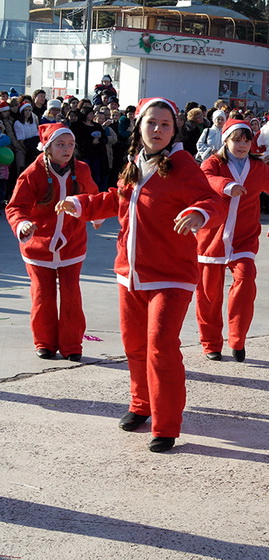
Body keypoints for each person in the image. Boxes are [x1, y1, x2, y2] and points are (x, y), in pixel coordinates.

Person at [55, 98, 225, 453]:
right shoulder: (134, 162)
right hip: (129, 272)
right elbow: (116, 200)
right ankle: (141, 405)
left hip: (171, 276)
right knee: (135, 347)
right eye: (152, 123)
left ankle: (166, 424)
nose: (158, 130)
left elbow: (212, 201)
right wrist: (80, 204)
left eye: (166, 124)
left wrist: (197, 213)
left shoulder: (183, 165)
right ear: (140, 126)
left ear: (174, 129)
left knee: (161, 346)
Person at [195, 120, 269, 362]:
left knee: (246, 278)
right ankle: (211, 343)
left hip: (243, 239)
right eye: (236, 139)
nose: (242, 145)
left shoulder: (257, 168)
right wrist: (226, 185)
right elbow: (205, 178)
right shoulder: (214, 163)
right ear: (225, 141)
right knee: (209, 293)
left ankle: (237, 340)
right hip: (212, 238)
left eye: (246, 140)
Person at [5, 123, 99, 360]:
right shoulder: (32, 173)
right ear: (47, 147)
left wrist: (96, 214)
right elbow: (16, 207)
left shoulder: (82, 169)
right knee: (42, 295)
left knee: (71, 295)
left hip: (72, 243)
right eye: (60, 144)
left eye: (70, 145)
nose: (67, 149)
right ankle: (44, 342)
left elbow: (93, 197)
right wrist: (22, 224)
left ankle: (72, 346)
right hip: (38, 245)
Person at [14, 102, 40, 171]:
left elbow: (36, 136)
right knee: (22, 168)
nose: (28, 112)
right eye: (25, 110)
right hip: (23, 147)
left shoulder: (32, 123)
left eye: (29, 110)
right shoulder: (18, 123)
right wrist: (26, 149)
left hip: (33, 147)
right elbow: (20, 139)